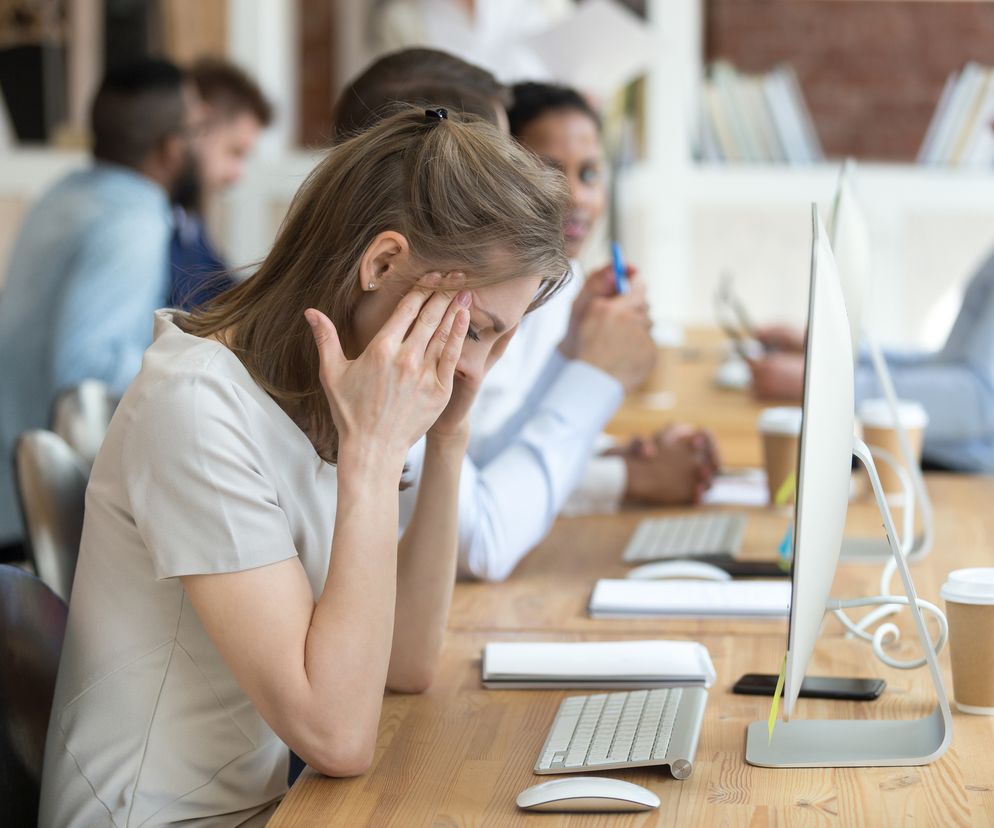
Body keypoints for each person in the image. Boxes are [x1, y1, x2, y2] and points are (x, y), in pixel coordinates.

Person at [39, 106, 570, 826]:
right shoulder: (196, 406)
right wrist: (373, 460)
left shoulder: (328, 397)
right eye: (474, 331)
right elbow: (336, 736)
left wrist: (449, 436)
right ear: (382, 265)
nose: (471, 364)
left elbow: (407, 663)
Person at [0, 58, 203, 560]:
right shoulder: (132, 221)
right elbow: (84, 376)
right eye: (196, 129)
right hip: (38, 513)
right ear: (171, 147)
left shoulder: (64, 193)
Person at [750, 255, 994, 473]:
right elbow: (947, 366)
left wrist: (827, 385)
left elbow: (980, 399)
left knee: (795, 456)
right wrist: (834, 352)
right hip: (929, 454)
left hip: (958, 470)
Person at [170, 57, 273, 310]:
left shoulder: (188, 222)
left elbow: (227, 295)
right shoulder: (155, 227)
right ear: (200, 124)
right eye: (235, 152)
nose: (236, 175)